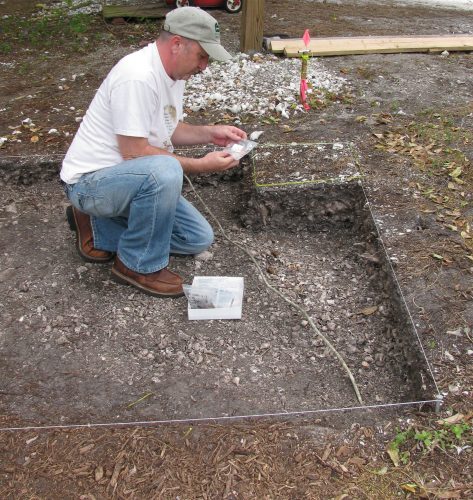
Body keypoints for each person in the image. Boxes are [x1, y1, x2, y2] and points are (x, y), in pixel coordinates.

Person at [60, 7, 247, 298]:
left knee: (197, 237)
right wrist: (201, 165)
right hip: (90, 183)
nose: (204, 66)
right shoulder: (137, 76)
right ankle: (137, 265)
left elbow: (168, 129)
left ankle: (97, 226)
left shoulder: (172, 75)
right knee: (165, 170)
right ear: (177, 44)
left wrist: (211, 132)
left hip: (127, 182)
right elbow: (135, 153)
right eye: (202, 56)